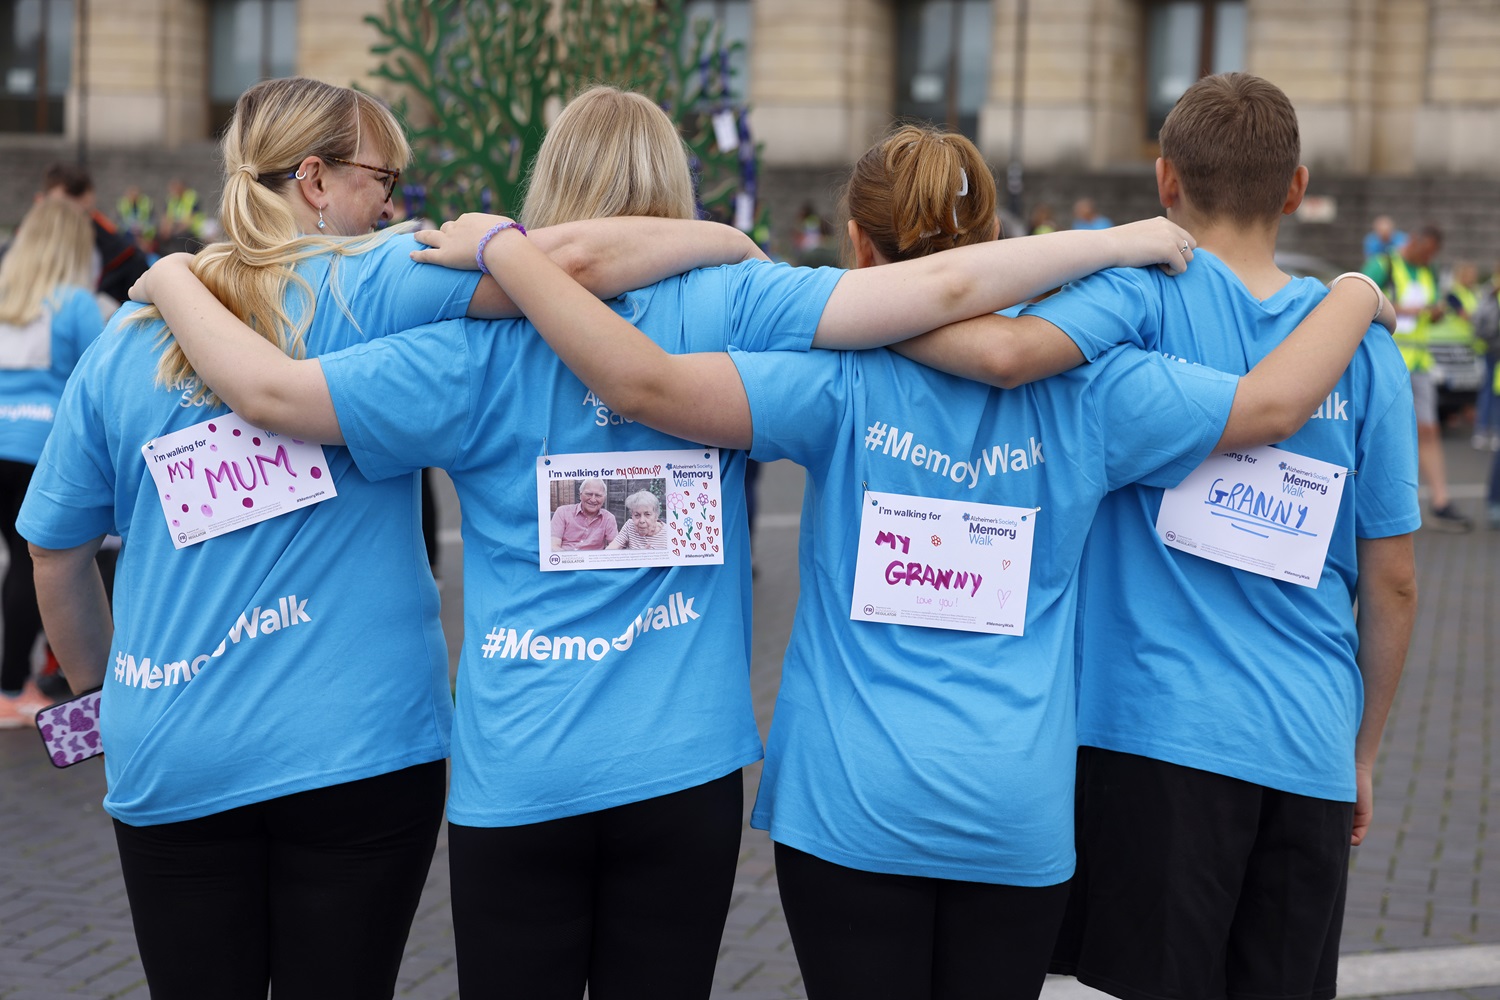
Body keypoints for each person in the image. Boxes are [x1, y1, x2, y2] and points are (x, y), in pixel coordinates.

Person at [131, 89, 1215, 1000]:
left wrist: (173, 277)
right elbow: (936, 295)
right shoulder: (736, 304)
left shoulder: (466, 346)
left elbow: (276, 393)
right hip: (684, 768)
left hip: (522, 770)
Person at [422, 143, 1391, 998]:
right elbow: (1273, 404)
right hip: (1016, 812)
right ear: (994, 235)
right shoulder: (1103, 393)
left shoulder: (833, 378)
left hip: (851, 805)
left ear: (856, 241)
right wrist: (1356, 293)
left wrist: (551, 249)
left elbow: (641, 380)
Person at [20, 76, 760, 1000]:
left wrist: (99, 699)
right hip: (357, 745)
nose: (398, 203)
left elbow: (53, 553)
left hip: (172, 745)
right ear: (318, 180)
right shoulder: (374, 281)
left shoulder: (129, 334)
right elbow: (560, 267)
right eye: (385, 178)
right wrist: (725, 238)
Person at [988, 72, 1419, 1000]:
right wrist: (1364, 752)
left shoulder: (1136, 306)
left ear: (1164, 182)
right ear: (1296, 188)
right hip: (1306, 744)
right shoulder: (1366, 347)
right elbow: (1393, 582)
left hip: (1150, 738)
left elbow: (1004, 343)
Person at [0, 199, 104, 729]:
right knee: (34, 564)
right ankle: (15, 689)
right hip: (38, 448)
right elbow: (101, 376)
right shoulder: (76, 303)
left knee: (15, 565)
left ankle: (10, 683)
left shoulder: (4, 294)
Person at [1363, 223, 1471, 530]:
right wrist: (1403, 309)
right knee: (1381, 435)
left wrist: (1434, 313)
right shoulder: (1383, 264)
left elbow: (1429, 311)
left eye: (1433, 255)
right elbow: (1356, 298)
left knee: (1429, 431)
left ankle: (1440, 501)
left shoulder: (1429, 271)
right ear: (1414, 242)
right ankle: (1377, 506)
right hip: (1386, 362)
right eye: (1426, 253)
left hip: (1419, 363)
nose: (1429, 259)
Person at [35, 161, 149, 306]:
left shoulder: (128, 260)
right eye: (61, 214)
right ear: (40, 202)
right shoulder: (16, 256)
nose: (72, 225)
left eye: (82, 215)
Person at [550, 477, 618, 550]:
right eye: (588, 494)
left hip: (594, 560)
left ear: (604, 498)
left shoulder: (609, 518)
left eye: (598, 495)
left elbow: (615, 546)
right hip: (566, 558)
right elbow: (554, 546)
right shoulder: (562, 512)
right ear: (580, 495)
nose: (593, 499)